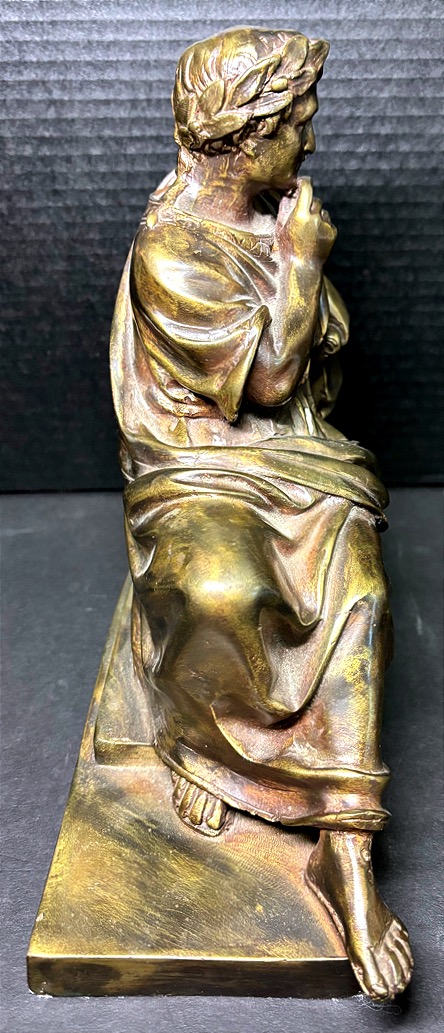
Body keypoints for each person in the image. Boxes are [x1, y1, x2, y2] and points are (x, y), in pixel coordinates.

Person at [110, 27, 413, 1000]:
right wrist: (302, 264)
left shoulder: (279, 218)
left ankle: (344, 849)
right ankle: (203, 745)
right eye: (297, 124)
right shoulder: (171, 250)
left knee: (360, 592)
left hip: (294, 459)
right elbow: (272, 377)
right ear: (245, 137)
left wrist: (296, 264)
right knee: (219, 588)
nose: (310, 142)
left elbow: (313, 383)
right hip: (198, 466)